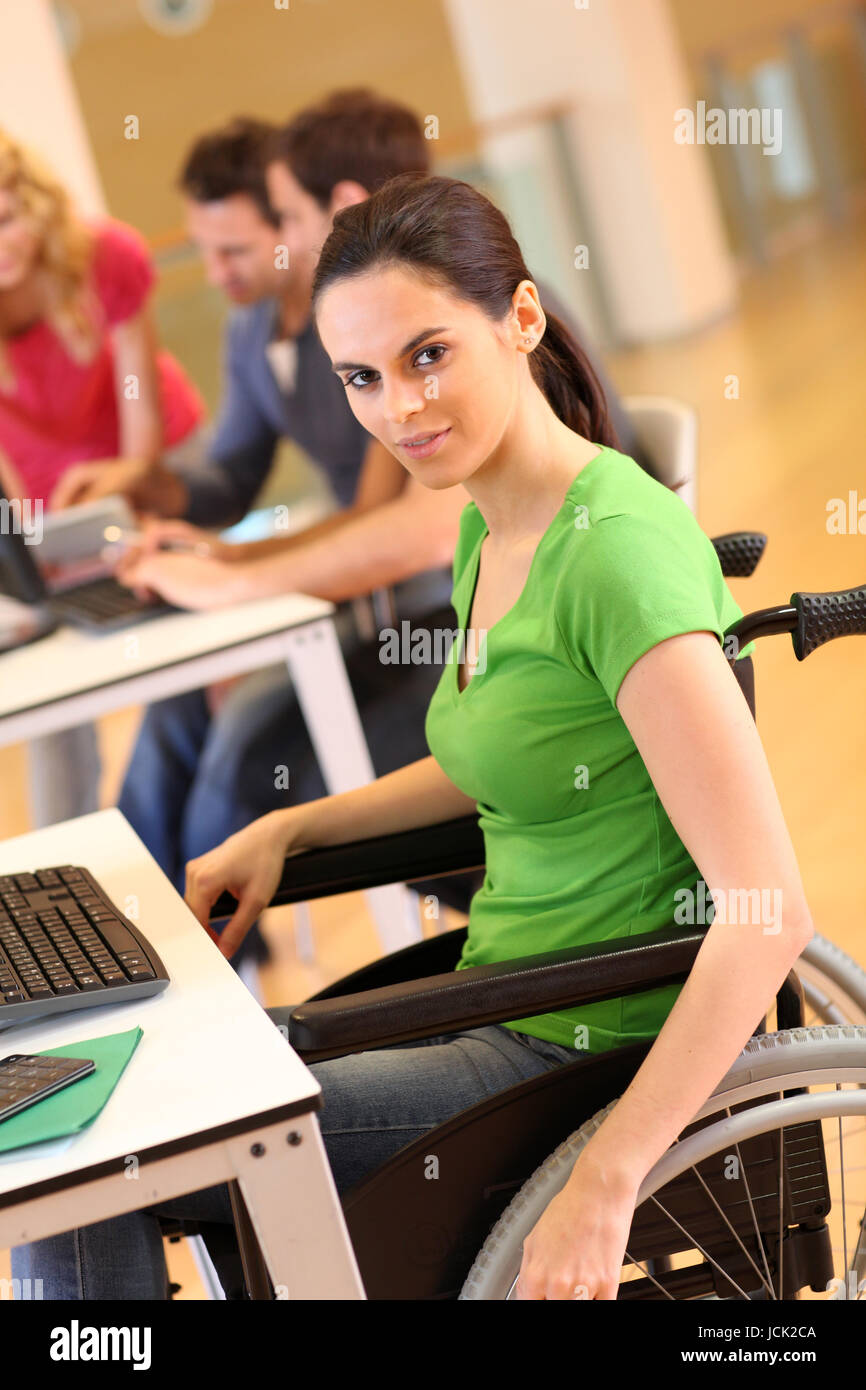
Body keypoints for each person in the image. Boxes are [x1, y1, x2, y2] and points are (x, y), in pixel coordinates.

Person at [12, 172, 815, 1300]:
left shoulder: (616, 553)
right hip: (495, 1003)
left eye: (427, 355)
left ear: (520, 321)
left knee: (95, 1155)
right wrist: (293, 823)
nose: (397, 409)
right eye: (361, 377)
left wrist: (606, 1170)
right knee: (79, 1117)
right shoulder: (494, 522)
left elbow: (768, 910)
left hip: (580, 1056)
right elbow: (496, 753)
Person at [112, 91, 657, 923]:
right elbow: (374, 520)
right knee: (191, 716)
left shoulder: (489, 365)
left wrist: (229, 581)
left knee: (247, 746)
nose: (397, 408)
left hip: (473, 640)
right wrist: (212, 548)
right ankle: (135, 940)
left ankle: (181, 958)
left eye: (285, 215)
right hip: (450, 631)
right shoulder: (472, 501)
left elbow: (411, 536)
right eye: (361, 378)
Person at [0, 128, 206, 828]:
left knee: (182, 647)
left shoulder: (105, 256)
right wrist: (24, 549)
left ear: (31, 202)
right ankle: (60, 868)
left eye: (3, 220)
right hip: (49, 496)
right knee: (52, 694)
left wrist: (130, 502)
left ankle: (198, 844)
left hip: (151, 459)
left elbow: (139, 418)